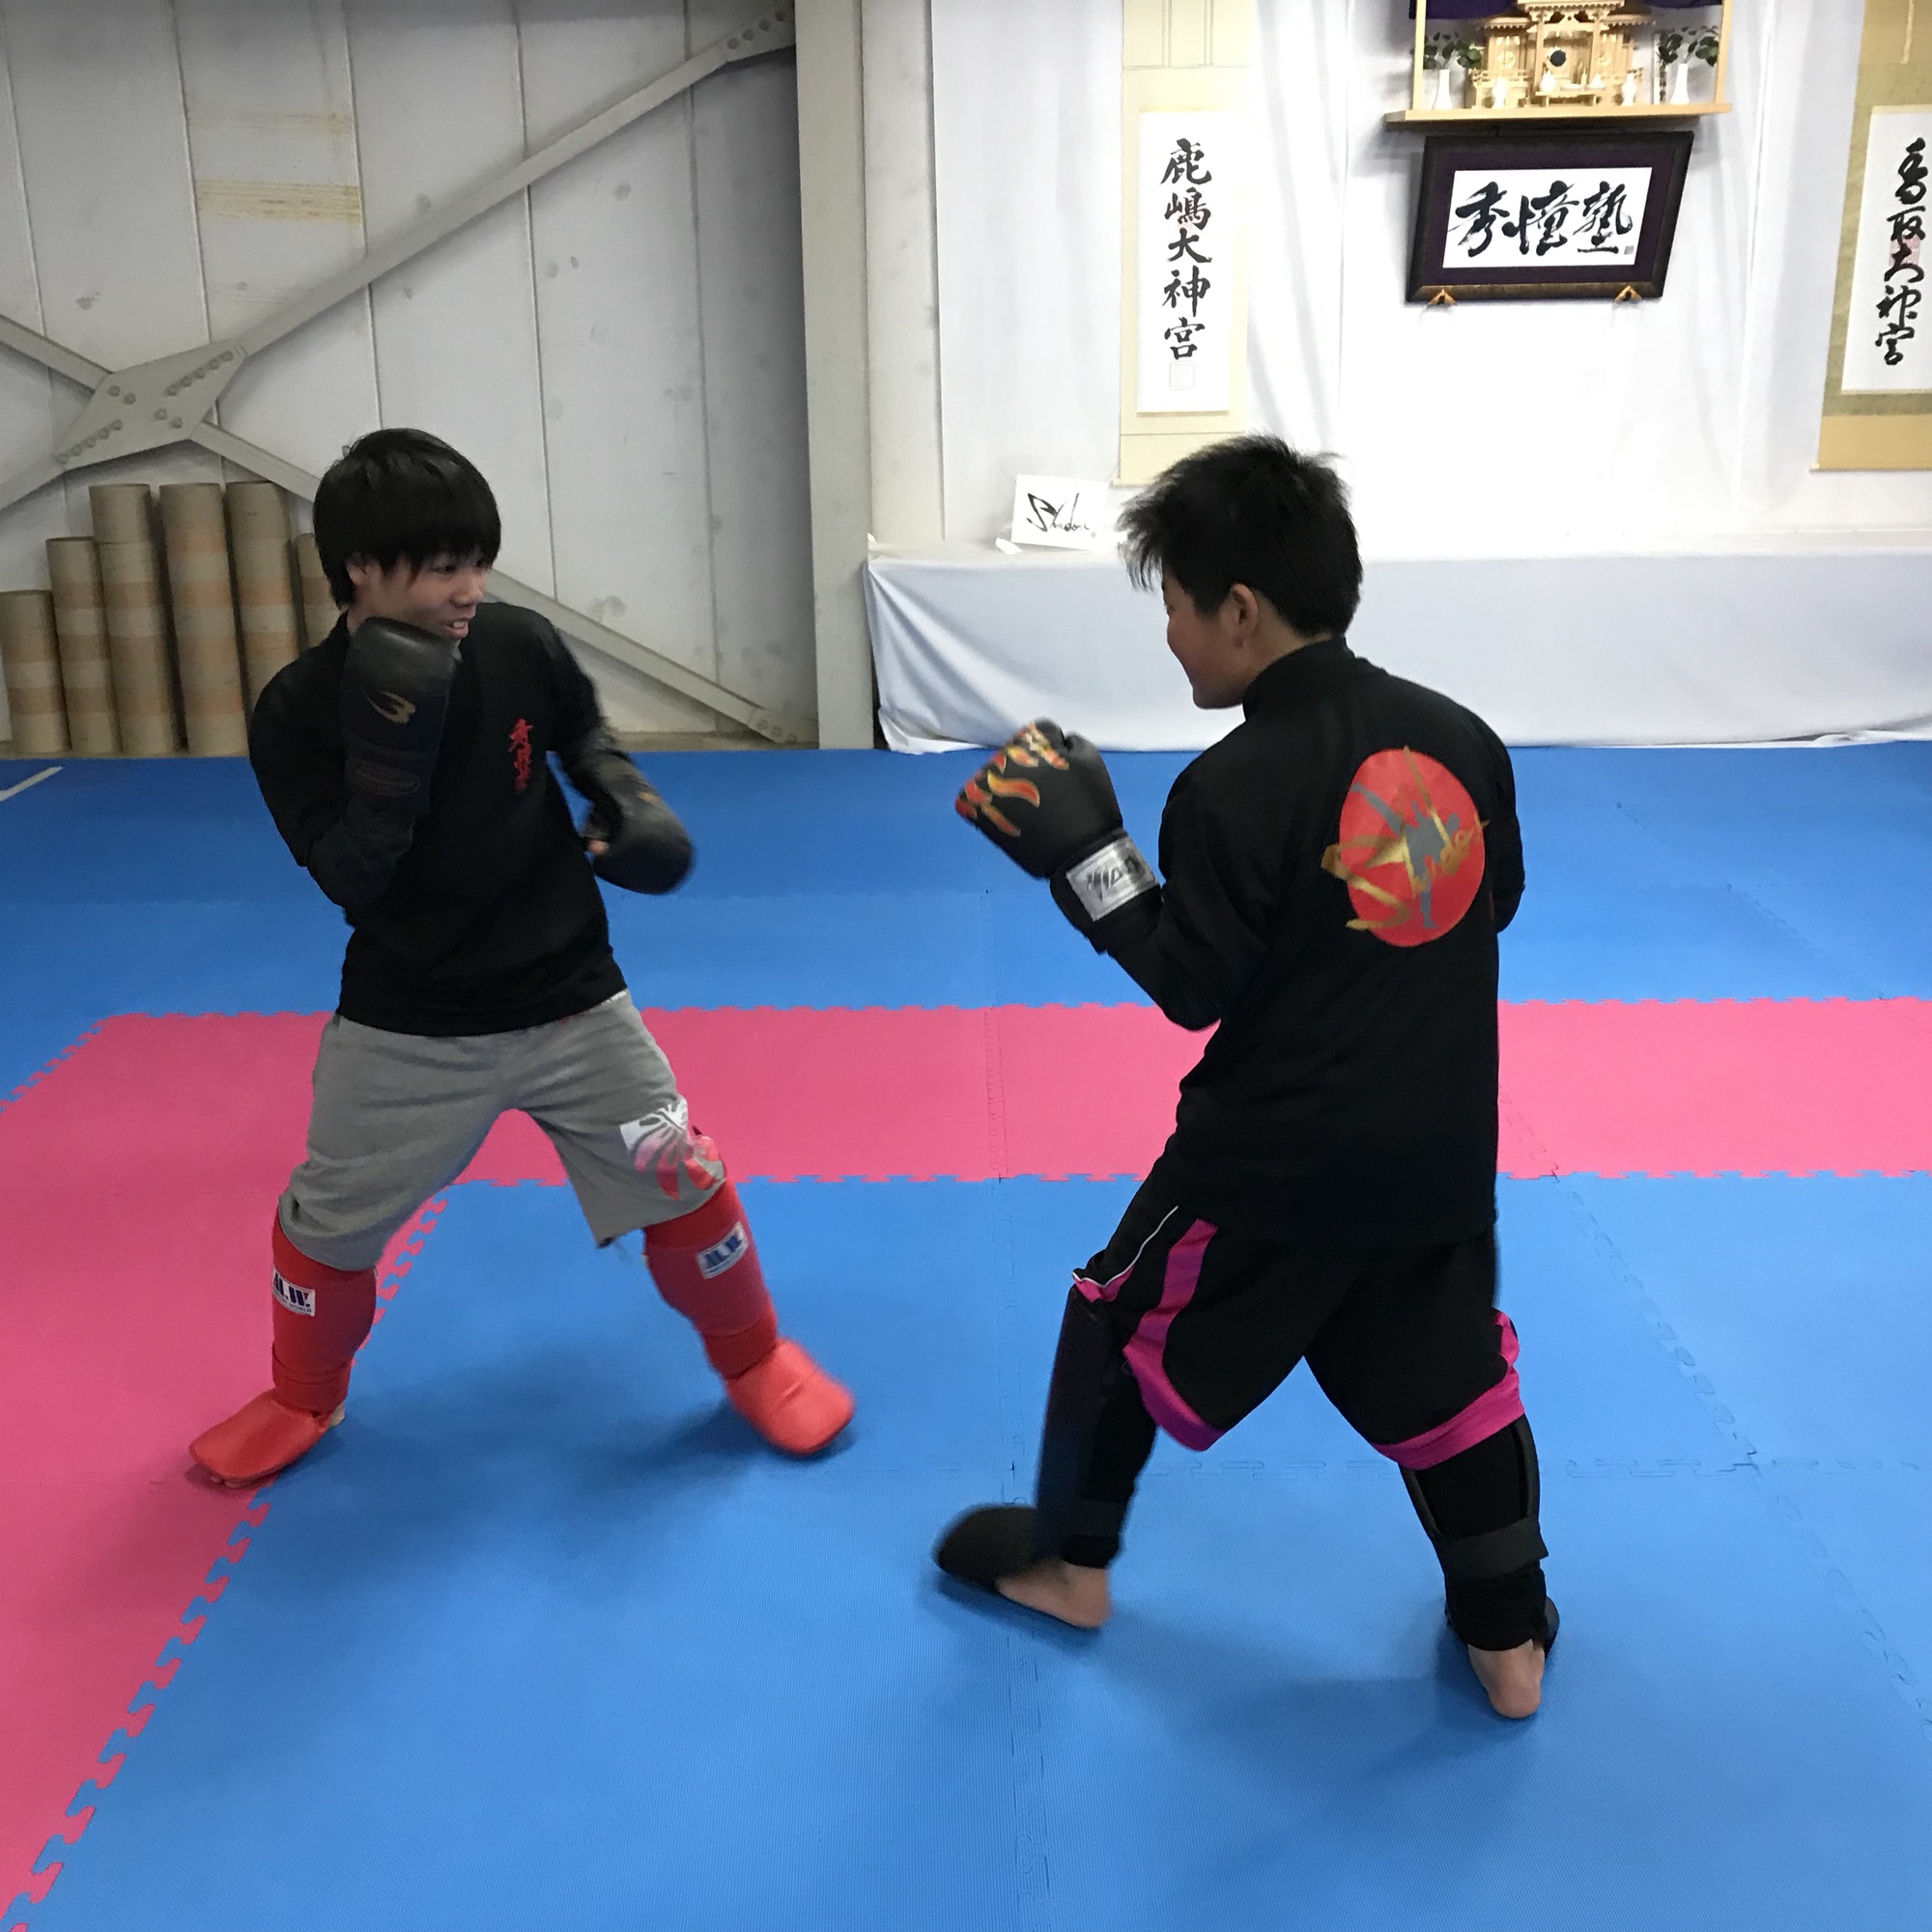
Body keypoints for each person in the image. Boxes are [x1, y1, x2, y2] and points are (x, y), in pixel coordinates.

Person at [937, 436, 1553, 1719]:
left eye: (1171, 605)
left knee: (1113, 1315)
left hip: (1268, 1162)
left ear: (1239, 609)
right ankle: (1509, 1642)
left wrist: (1089, 859)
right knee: (1451, 1381)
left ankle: (1065, 1567)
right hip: (1442, 1152)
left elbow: (1192, 987)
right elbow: (1489, 903)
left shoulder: (1229, 784)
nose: (1168, 636)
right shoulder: (1463, 739)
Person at [189, 428, 851, 1487]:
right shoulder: (299, 710)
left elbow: (583, 734)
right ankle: (301, 1394)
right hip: (406, 1025)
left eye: (477, 562)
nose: (470, 589)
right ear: (360, 568)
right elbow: (347, 878)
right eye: (442, 567)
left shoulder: (515, 644)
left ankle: (755, 1357)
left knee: (683, 1181)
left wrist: (624, 797)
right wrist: (388, 775)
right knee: (324, 1227)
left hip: (573, 1003)